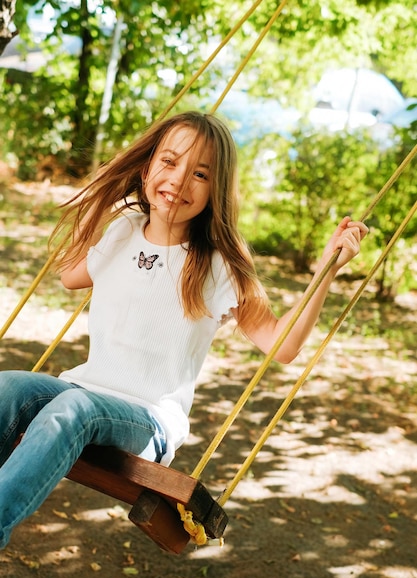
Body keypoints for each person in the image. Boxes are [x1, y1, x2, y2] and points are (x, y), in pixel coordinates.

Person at [0, 111, 368, 549]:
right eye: (170, 162)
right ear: (148, 165)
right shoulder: (123, 231)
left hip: (147, 419)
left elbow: (282, 344)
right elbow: (71, 275)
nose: (179, 180)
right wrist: (101, 195)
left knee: (74, 408)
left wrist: (327, 269)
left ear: (216, 190)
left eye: (200, 173)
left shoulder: (217, 265)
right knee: (8, 388)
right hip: (83, 389)